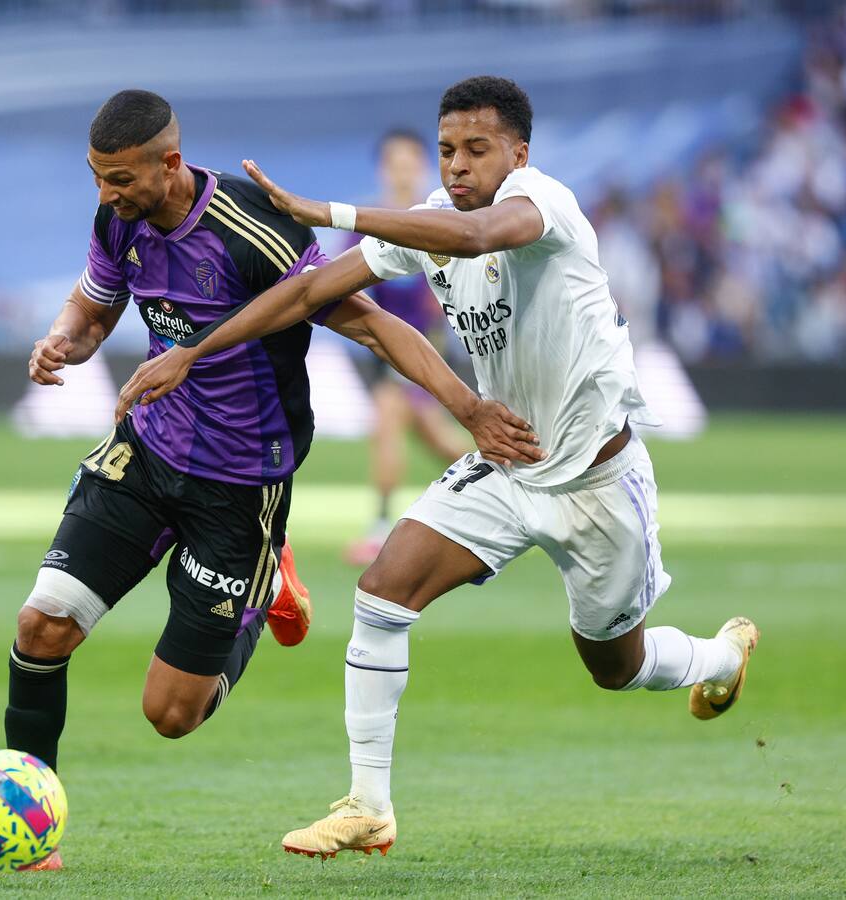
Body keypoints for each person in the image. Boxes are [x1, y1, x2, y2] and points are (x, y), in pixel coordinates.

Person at [116, 76, 759, 861]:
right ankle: (368, 806)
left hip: (598, 480)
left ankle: (721, 655)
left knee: (615, 667)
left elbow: (475, 238)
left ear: (518, 153)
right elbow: (313, 288)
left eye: (476, 150)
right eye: (448, 149)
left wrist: (327, 213)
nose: (457, 166)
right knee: (384, 589)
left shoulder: (540, 202)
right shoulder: (427, 219)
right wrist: (194, 351)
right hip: (507, 462)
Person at [0, 89, 529, 874]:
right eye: (96, 177)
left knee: (171, 715)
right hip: (145, 456)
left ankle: (266, 592)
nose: (106, 196)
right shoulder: (116, 221)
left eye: (119, 178)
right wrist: (62, 341)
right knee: (41, 626)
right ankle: (32, 840)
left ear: (170, 162)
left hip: (240, 483)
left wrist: (467, 407)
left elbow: (368, 321)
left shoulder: (252, 228)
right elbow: (92, 313)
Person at [343, 129, 471, 566]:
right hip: (386, 348)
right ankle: (512, 481)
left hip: (425, 347)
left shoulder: (440, 217)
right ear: (384, 167)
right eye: (395, 160)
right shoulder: (369, 222)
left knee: (389, 420)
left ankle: (380, 528)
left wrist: (429, 343)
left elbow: (447, 294)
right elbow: (348, 286)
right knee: (435, 438)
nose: (403, 169)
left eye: (410, 160)